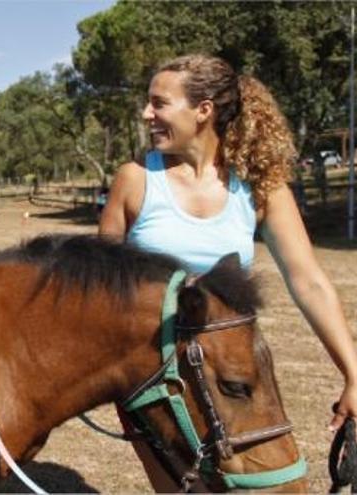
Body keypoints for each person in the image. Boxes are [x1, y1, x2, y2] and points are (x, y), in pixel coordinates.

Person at [99, 54, 357, 491]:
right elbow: (96, 283)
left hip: (230, 368)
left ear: (203, 111)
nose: (147, 114)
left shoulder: (258, 184)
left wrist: (353, 374)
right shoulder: (136, 179)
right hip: (154, 373)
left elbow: (308, 280)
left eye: (159, 103)